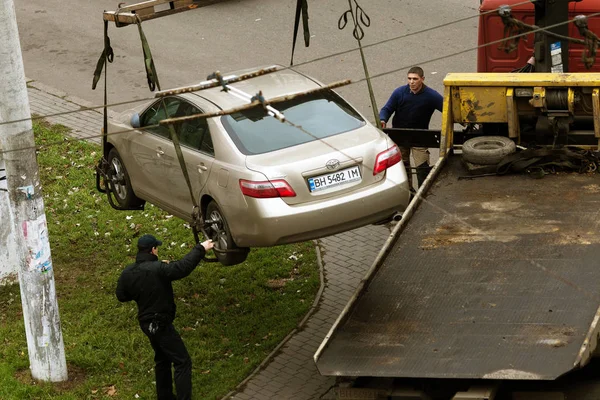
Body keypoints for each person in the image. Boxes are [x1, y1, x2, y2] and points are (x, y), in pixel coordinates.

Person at [116, 234, 214, 400]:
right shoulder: (159, 269)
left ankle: (165, 396)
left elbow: (121, 295)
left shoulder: (128, 272)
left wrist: (142, 291)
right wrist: (201, 248)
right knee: (182, 361)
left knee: (162, 359)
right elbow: (182, 268)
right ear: (153, 250)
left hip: (146, 325)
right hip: (160, 324)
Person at [379, 66, 443, 191]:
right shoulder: (399, 93)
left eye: (415, 79)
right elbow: (387, 109)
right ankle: (408, 192)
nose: (411, 82)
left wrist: (463, 121)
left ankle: (423, 193)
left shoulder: (431, 96)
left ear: (422, 79)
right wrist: (383, 119)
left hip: (420, 137)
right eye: (409, 79)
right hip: (400, 136)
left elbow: (447, 109)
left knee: (422, 167)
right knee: (403, 167)